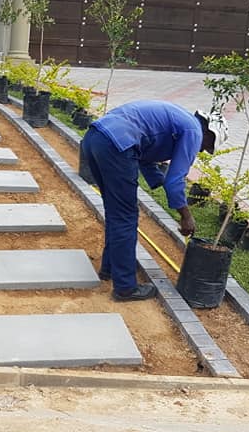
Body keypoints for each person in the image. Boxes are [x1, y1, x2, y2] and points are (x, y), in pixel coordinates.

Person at [81, 101, 228, 301]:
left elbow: (146, 155)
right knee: (126, 218)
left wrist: (158, 182)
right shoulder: (194, 132)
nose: (203, 150)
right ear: (209, 133)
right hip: (117, 145)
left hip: (95, 138)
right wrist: (186, 216)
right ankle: (125, 288)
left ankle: (110, 268)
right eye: (208, 146)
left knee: (116, 212)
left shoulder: (181, 119)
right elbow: (175, 180)